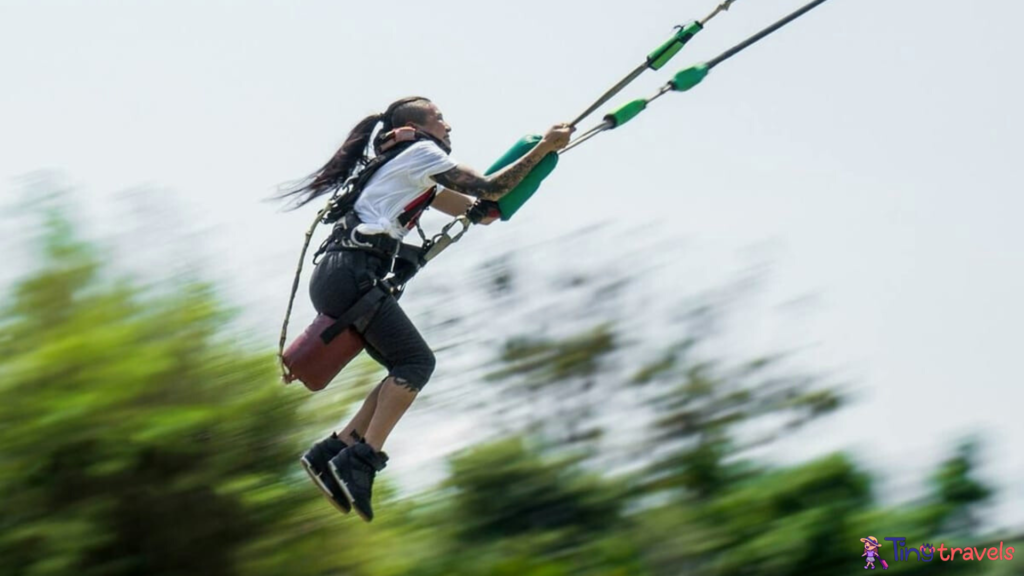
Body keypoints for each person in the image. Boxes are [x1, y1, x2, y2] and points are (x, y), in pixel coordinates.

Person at [279, 96, 573, 521]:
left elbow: (482, 210)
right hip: (352, 274)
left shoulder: (411, 171)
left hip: (342, 276)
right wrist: (544, 146)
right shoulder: (420, 153)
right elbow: (488, 186)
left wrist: (538, 163)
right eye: (438, 118)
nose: (448, 125)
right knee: (417, 363)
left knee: (405, 364)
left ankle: (335, 450)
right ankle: (361, 459)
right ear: (415, 128)